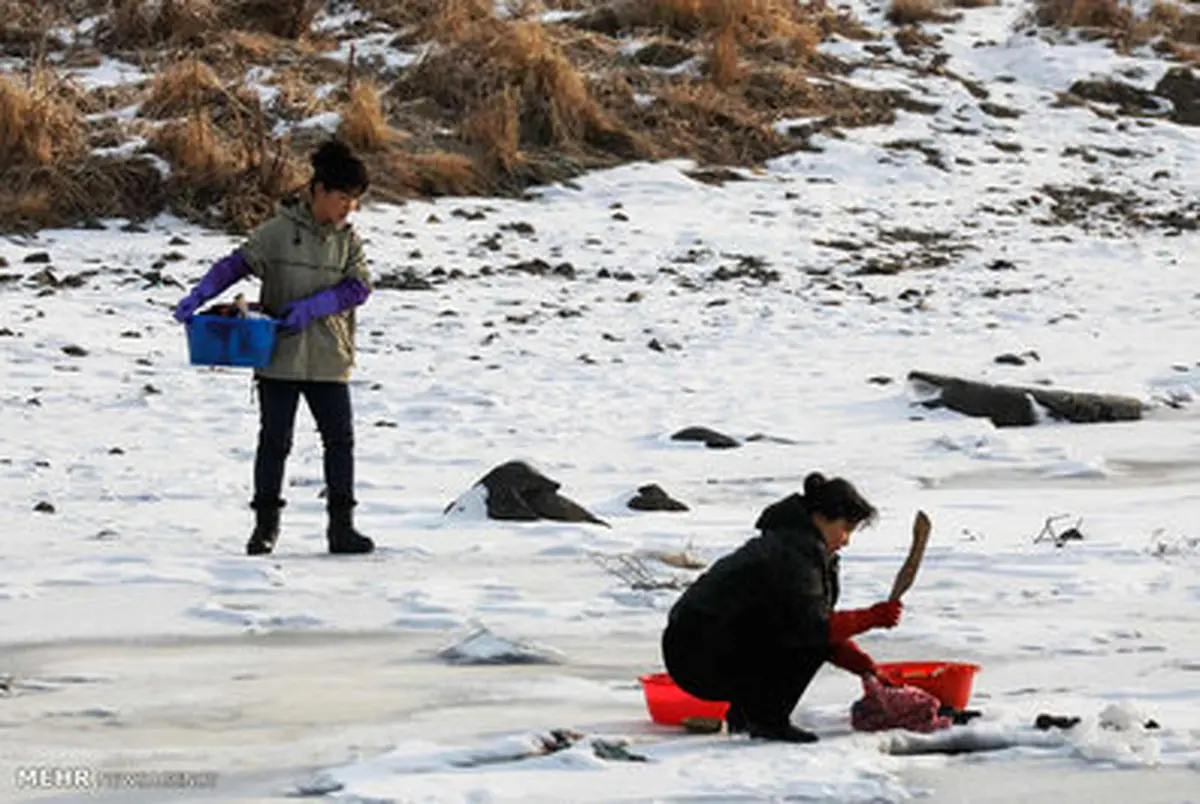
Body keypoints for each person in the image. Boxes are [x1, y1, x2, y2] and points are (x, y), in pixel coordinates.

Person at [172, 139, 375, 556]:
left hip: (328, 357)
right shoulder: (278, 232)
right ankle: (264, 529)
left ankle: (342, 528)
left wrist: (316, 306)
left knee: (340, 442)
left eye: (354, 202)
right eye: (342, 199)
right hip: (278, 356)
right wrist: (199, 294)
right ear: (318, 191)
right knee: (274, 442)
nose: (347, 209)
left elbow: (359, 287)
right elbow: (236, 265)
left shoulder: (347, 241)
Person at [661, 472, 902, 742]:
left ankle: (749, 715)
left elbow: (815, 626)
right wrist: (872, 618)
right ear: (821, 518)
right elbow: (816, 630)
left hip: (698, 646)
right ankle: (767, 719)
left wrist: (867, 668)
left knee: (793, 630)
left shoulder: (797, 545)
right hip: (699, 652)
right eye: (845, 528)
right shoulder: (794, 553)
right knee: (804, 635)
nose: (846, 540)